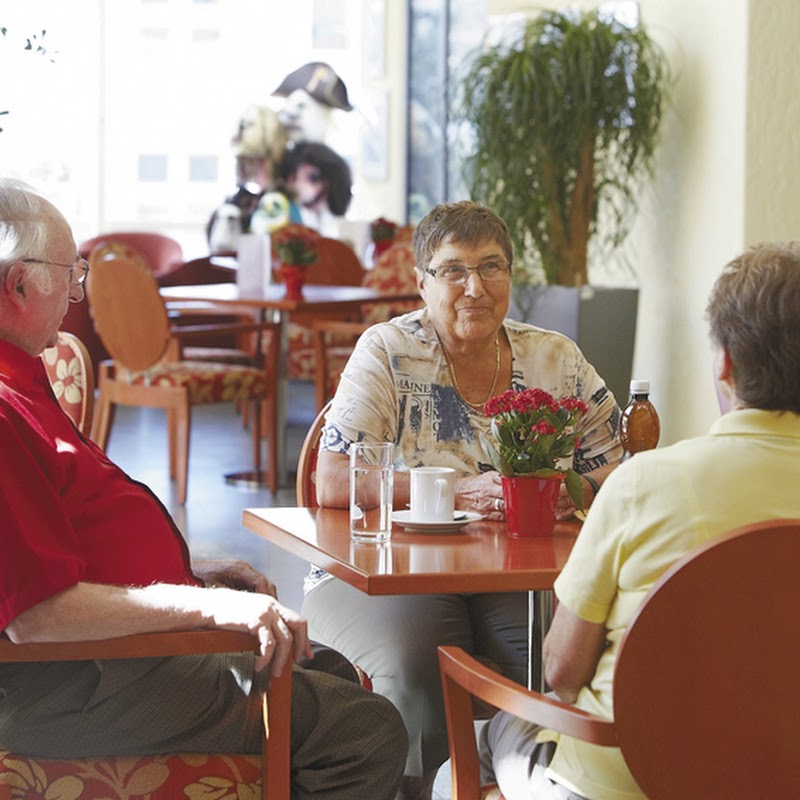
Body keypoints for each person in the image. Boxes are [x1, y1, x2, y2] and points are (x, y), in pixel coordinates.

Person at [0, 178, 407, 800]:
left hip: (96, 663)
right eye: (71, 272)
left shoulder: (23, 378)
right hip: (70, 684)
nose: (79, 290)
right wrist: (211, 606)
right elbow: (37, 616)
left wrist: (195, 568)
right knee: (365, 729)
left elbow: (64, 541)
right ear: (19, 284)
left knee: (326, 668)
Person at [302, 201, 623, 800]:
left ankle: (514, 786)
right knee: (422, 659)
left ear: (510, 277)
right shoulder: (386, 350)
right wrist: (458, 489)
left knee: (552, 652)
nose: (474, 287)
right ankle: (417, 791)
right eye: (453, 270)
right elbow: (334, 481)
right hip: (385, 571)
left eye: (492, 267)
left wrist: (565, 493)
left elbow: (614, 472)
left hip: (513, 571)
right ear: (421, 283)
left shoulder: (554, 358)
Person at [480, 241, 800, 799]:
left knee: (489, 736)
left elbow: (562, 671)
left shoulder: (643, 484)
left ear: (724, 362)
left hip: (624, 781)